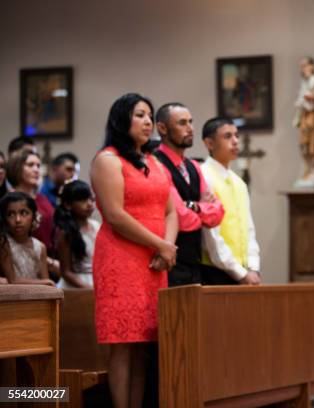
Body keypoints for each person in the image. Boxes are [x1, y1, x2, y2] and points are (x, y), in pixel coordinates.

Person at [90, 93, 178, 408]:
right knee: (123, 344)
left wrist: (167, 246)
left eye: (150, 116)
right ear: (121, 119)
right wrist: (160, 244)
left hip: (155, 261)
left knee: (144, 346)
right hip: (121, 256)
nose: (147, 122)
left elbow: (171, 211)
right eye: (139, 114)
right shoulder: (108, 160)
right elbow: (114, 215)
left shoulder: (154, 161)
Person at [154, 102, 225, 286]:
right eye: (182, 123)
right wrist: (202, 207)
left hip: (194, 262)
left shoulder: (193, 165)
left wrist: (192, 206)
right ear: (162, 128)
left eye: (191, 122)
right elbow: (181, 219)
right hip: (168, 263)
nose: (190, 128)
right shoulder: (156, 164)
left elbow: (218, 213)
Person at [200, 117, 261, 285]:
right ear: (209, 143)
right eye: (227, 136)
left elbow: (248, 229)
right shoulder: (204, 175)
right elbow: (211, 237)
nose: (235, 141)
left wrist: (253, 267)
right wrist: (241, 274)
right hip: (215, 271)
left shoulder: (238, 182)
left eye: (236, 135)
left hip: (243, 270)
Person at [6, 149, 56, 253]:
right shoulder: (9, 201)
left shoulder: (42, 198)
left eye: (38, 165)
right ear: (17, 168)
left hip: (49, 254)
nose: (36, 170)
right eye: (30, 165)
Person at [0, 192, 55, 286]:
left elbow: (45, 281)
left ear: (33, 216)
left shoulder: (40, 246)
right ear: (4, 219)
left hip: (36, 296)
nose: (18, 220)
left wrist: (46, 282)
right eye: (10, 214)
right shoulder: (4, 242)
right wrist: (45, 282)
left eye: (24, 213)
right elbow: (12, 280)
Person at [54, 180, 99, 289]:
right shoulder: (66, 232)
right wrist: (88, 289)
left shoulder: (96, 225)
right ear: (68, 204)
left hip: (97, 279)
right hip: (77, 285)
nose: (89, 204)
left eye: (91, 199)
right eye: (82, 200)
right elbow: (66, 272)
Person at [293, 56, 314, 186]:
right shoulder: (304, 83)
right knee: (303, 145)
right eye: (301, 66)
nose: (303, 69)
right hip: (305, 116)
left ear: (312, 66)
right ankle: (308, 171)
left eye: (305, 65)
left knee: (313, 145)